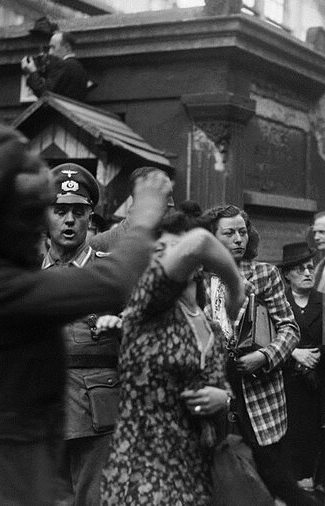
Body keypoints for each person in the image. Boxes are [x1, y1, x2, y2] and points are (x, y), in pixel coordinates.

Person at [0, 125, 171, 504]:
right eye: (33, 216)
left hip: (16, 472)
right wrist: (144, 215)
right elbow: (110, 282)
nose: (42, 228)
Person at [99, 207, 245, 505]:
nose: (168, 259)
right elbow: (201, 242)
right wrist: (236, 286)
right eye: (159, 251)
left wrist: (222, 397)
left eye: (174, 249)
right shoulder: (151, 311)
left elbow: (221, 385)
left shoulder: (212, 329)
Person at [202, 204, 315, 506]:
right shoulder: (199, 279)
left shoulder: (265, 274)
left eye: (242, 231)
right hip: (216, 388)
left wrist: (265, 356)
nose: (238, 239)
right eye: (229, 233)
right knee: (220, 476)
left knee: (273, 478)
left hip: (259, 392)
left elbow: (290, 328)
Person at [41, 163, 119, 505]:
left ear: (91, 217)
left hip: (98, 410)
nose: (69, 220)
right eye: (59, 211)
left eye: (78, 211)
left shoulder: (112, 272)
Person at [278, 242, 325, 492]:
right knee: (291, 441)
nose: (308, 273)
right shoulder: (276, 303)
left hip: (320, 384)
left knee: (318, 441)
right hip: (287, 385)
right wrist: (294, 353)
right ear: (287, 275)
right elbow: (267, 339)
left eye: (310, 267)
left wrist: (316, 354)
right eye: (300, 269)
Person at [89, 166, 174, 251]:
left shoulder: (174, 242)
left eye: (170, 195)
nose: (171, 204)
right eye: (164, 195)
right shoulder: (102, 244)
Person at [21, 31, 89, 101]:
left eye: (53, 47)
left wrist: (32, 72)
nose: (50, 52)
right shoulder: (79, 67)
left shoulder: (64, 66)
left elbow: (44, 94)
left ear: (67, 47)